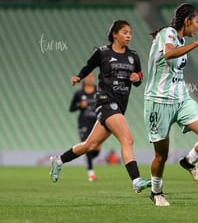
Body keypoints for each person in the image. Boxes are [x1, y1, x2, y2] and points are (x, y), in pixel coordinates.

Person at [49, 19, 151, 193]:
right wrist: (78, 77)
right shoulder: (103, 52)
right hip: (105, 102)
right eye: (125, 32)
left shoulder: (133, 56)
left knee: (89, 145)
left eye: (130, 33)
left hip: (119, 106)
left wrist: (137, 79)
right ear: (115, 34)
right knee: (127, 139)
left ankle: (58, 161)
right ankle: (136, 181)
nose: (129, 36)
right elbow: (89, 66)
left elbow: (138, 77)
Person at [144, 3, 198, 206]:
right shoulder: (167, 33)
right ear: (187, 21)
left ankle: (189, 161)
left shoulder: (182, 40)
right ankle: (156, 193)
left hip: (181, 99)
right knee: (161, 155)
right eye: (197, 21)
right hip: (158, 102)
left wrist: (193, 43)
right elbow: (168, 54)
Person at [69, 72, 100, 181]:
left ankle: (87, 158)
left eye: (92, 76)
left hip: (97, 122)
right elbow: (71, 108)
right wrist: (80, 106)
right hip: (84, 122)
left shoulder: (99, 91)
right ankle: (91, 173)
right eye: (88, 76)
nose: (90, 78)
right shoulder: (79, 93)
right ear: (84, 79)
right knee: (88, 146)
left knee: (96, 149)